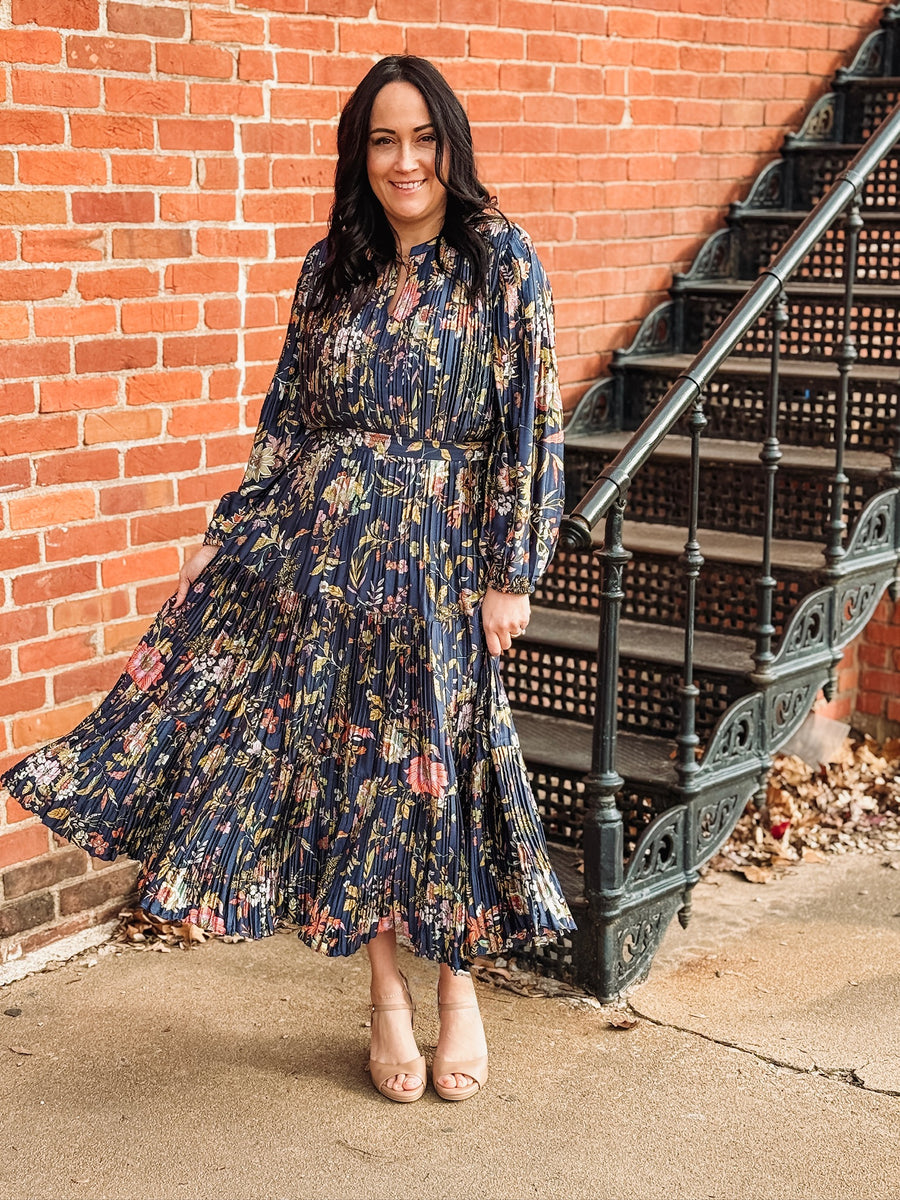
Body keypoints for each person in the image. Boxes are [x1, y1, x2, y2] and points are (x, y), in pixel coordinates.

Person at [0, 55, 575, 1103]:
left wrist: (511, 571)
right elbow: (288, 424)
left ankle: (461, 993)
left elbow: (529, 429)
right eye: (384, 141)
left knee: (445, 775)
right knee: (357, 778)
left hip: (443, 560)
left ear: (451, 144)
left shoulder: (499, 261)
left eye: (423, 137)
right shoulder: (331, 266)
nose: (406, 161)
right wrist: (226, 536)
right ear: (362, 155)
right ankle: (387, 1002)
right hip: (325, 554)